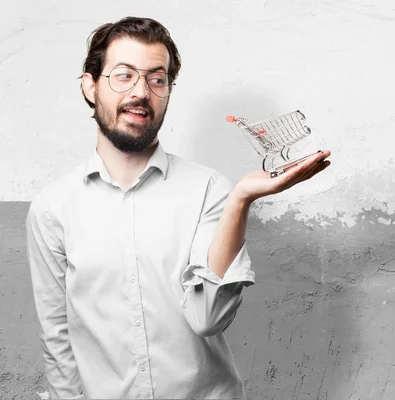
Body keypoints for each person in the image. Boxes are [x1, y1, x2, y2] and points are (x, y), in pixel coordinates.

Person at [25, 16, 331, 399]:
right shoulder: (53, 208)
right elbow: (58, 343)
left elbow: (209, 320)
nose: (141, 92)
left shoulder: (207, 190)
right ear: (90, 86)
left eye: (157, 79)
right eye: (124, 75)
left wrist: (241, 199)